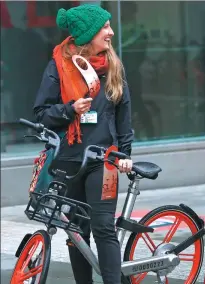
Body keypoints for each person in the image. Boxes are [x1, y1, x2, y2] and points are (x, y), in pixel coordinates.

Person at [33, 4, 134, 284]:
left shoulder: (113, 66)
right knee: (77, 231)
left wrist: (125, 153)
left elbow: (124, 118)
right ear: (88, 34)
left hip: (106, 160)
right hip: (69, 161)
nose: (111, 32)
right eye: (104, 27)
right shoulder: (58, 65)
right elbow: (41, 113)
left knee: (103, 227)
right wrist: (69, 110)